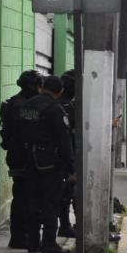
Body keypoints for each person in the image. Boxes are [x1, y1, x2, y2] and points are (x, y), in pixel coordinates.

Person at [19, 75, 76, 253]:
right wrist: (72, 168)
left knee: (32, 201)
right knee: (51, 202)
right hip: (49, 161)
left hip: (28, 158)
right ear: (59, 92)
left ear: (42, 87)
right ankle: (49, 243)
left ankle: (33, 242)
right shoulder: (55, 109)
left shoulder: (26, 105)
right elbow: (64, 141)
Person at [0, 70, 41, 249]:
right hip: (24, 156)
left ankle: (19, 236)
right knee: (25, 197)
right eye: (38, 85)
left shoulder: (14, 103)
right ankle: (20, 236)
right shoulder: (23, 107)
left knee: (22, 195)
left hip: (17, 155)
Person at [58, 69, 76, 238]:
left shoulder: (60, 105)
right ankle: (64, 225)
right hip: (66, 158)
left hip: (54, 157)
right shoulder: (67, 108)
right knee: (68, 194)